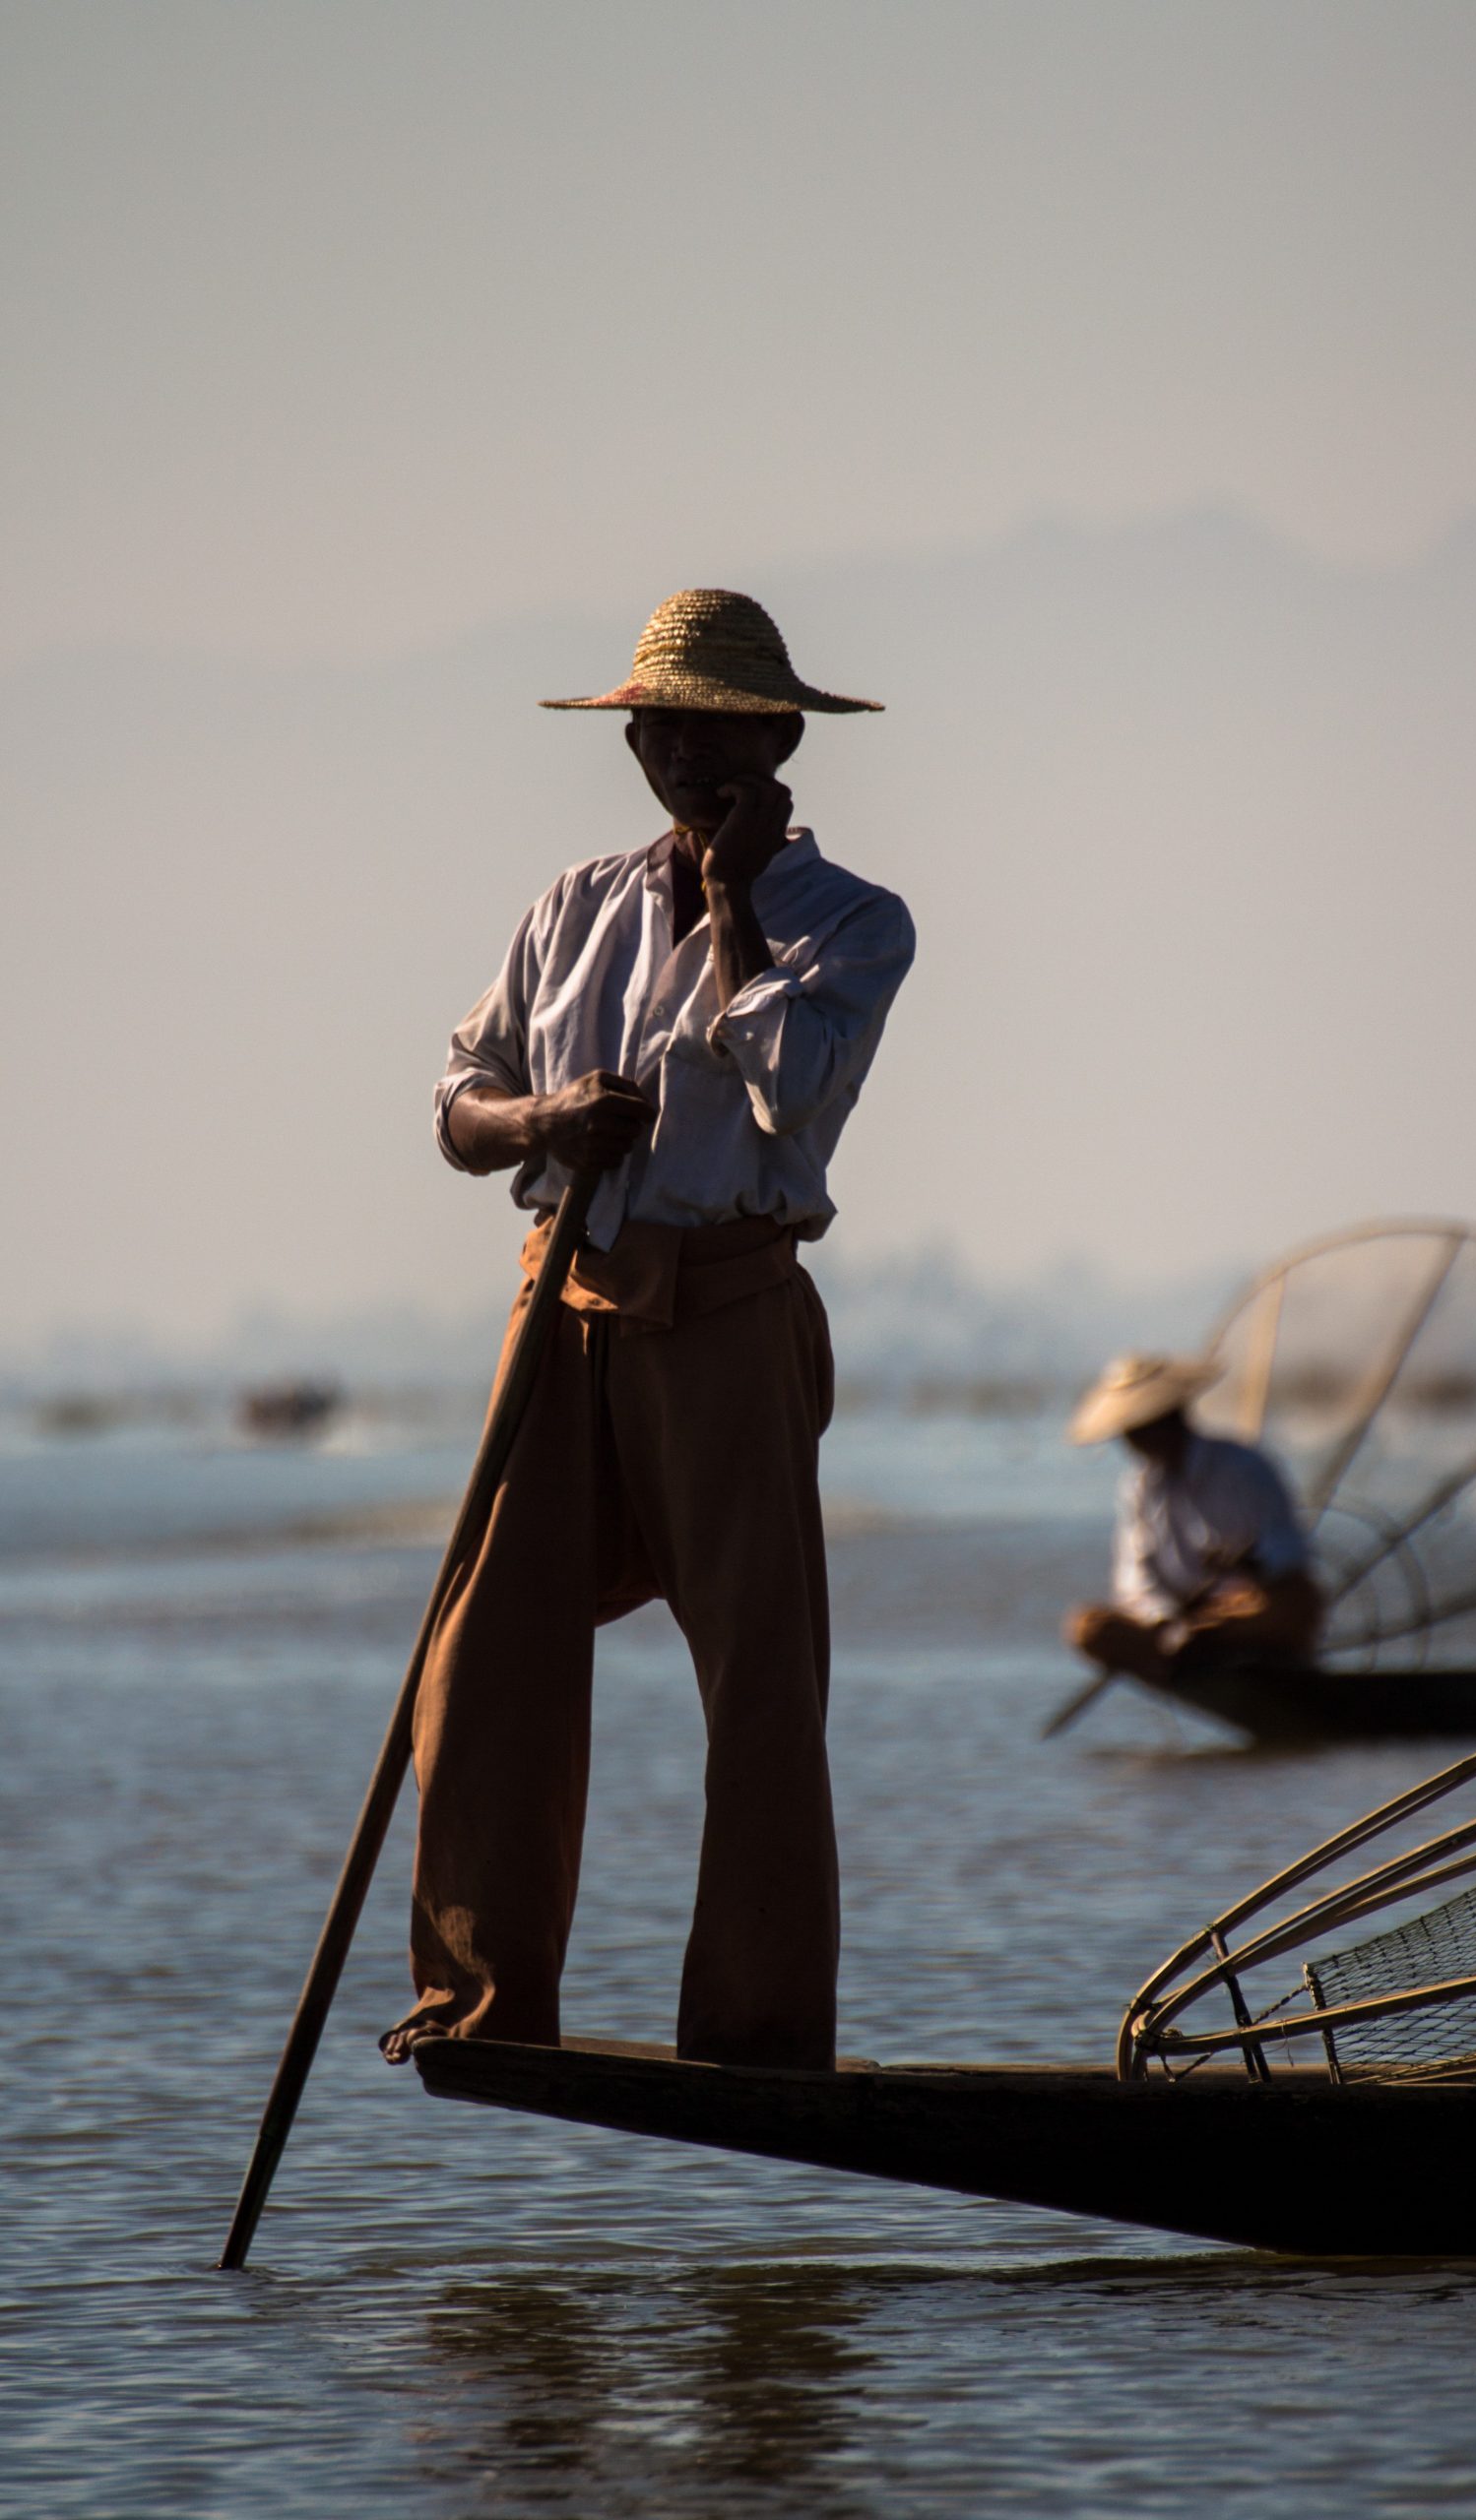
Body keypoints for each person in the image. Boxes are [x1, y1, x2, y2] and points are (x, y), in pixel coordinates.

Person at [380, 589, 914, 2073]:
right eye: (657, 726)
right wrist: (539, 1118)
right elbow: (456, 1105)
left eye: (713, 727)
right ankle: (478, 2003)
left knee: (757, 1677)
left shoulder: (852, 923)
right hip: (560, 1306)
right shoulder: (571, 904)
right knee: (481, 1654)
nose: (679, 752)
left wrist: (734, 902)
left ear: (778, 736)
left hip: (728, 1316)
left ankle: (751, 2031)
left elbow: (790, 1090)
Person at [1061, 1354, 1321, 1691]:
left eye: (1141, 1427)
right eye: (1128, 1432)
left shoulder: (1242, 1466)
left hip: (1246, 1615)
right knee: (1088, 1628)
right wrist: (1165, 1620)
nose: (1132, 1440)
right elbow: (1135, 1583)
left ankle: (1201, 1648)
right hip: (1180, 1623)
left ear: (1171, 1418)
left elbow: (1289, 1555)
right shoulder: (1139, 1489)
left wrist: (1248, 1565)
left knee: (1295, 1601)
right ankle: (1181, 1657)